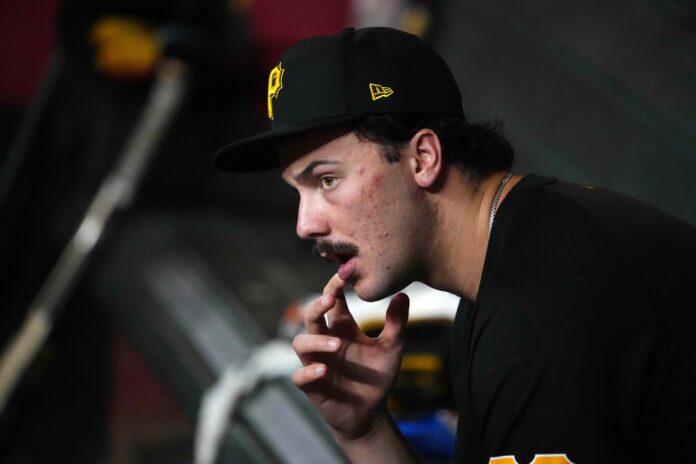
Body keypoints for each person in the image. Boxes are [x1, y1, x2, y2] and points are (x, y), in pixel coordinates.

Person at [213, 27, 696, 463]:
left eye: (327, 180)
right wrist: (365, 431)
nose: (304, 225)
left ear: (424, 157)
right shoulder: (502, 268)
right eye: (297, 192)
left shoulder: (544, 308)